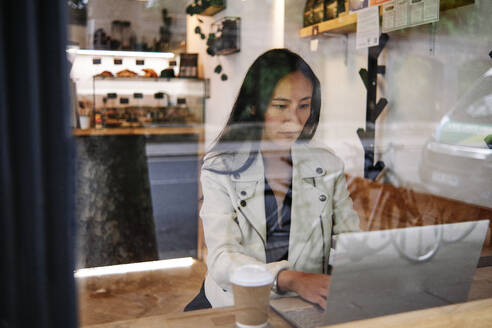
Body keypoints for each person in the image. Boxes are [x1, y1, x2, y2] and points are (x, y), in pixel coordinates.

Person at [184, 49, 360, 311]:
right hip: (235, 304)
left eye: (304, 105)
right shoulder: (220, 167)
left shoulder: (327, 164)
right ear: (254, 106)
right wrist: (290, 279)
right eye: (280, 106)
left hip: (302, 305)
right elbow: (222, 259)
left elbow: (350, 238)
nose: (294, 120)